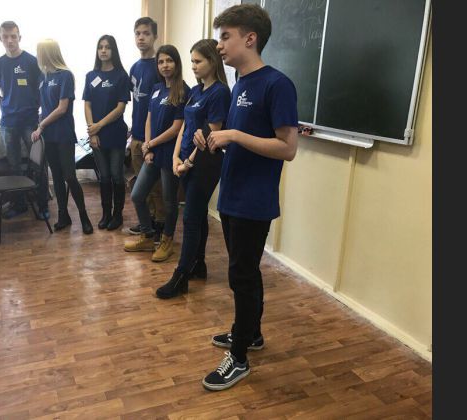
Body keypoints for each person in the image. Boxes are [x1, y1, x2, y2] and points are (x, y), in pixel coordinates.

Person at [200, 4, 299, 391]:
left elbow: (287, 148)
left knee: (241, 276)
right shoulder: (240, 84)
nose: (219, 45)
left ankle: (239, 357)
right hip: (232, 194)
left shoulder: (277, 84)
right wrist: (217, 141)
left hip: (253, 201)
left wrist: (235, 135)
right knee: (244, 272)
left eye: (226, 37)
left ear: (250, 39)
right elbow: (243, 143)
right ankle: (250, 333)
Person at [154, 39, 231, 298]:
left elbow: (212, 134)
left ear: (213, 61)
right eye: (192, 62)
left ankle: (181, 276)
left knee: (190, 218)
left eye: (198, 61)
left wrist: (188, 163)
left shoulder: (220, 93)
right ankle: (198, 264)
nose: (194, 66)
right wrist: (176, 157)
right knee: (198, 215)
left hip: (205, 164)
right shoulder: (196, 91)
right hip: (185, 162)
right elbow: (185, 127)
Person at [124, 45, 190, 262]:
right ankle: (147, 236)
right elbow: (149, 119)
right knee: (137, 195)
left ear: (177, 63)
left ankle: (167, 241)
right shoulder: (156, 88)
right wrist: (148, 148)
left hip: (171, 155)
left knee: (170, 203)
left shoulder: (183, 91)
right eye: (161, 62)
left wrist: (150, 143)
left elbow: (176, 128)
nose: (165, 65)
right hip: (152, 154)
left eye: (169, 60)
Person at [31, 39, 93, 234]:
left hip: (63, 134)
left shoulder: (65, 75)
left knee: (70, 177)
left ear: (47, 53)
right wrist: (39, 125)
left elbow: (62, 108)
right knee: (57, 178)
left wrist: (41, 125)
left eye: (39, 52)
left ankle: (84, 216)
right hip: (48, 136)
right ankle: (63, 215)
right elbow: (44, 106)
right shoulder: (43, 77)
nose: (37, 56)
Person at [0, 21, 41, 218]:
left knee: (38, 164)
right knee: (13, 166)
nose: (10, 40)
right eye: (5, 36)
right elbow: (3, 91)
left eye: (13, 36)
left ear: (20, 37)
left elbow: (40, 90)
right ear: (0, 38)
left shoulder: (32, 61)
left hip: (30, 120)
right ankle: (19, 204)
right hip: (8, 122)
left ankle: (42, 204)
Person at [83, 35, 131, 231]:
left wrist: (98, 126)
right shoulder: (91, 76)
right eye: (100, 47)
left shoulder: (121, 76)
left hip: (115, 133)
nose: (103, 50)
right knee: (103, 177)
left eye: (107, 47)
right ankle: (106, 214)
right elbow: (87, 105)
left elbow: (120, 108)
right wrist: (92, 131)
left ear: (113, 50)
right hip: (97, 135)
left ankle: (118, 215)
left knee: (116, 176)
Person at [127, 17, 165, 242]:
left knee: (156, 187)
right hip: (137, 136)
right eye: (137, 33)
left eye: (146, 33)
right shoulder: (134, 67)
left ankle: (160, 226)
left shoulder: (160, 66)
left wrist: (154, 141)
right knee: (141, 187)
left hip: (154, 139)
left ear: (155, 36)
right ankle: (147, 223)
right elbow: (136, 102)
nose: (141, 37)